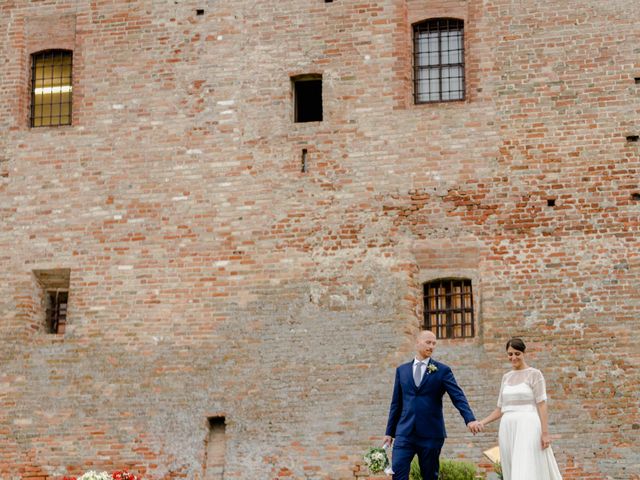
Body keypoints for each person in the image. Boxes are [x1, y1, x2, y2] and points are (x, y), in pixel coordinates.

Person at [383, 330, 482, 480]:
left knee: (430, 476)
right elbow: (396, 403)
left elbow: (458, 396)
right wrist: (389, 432)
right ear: (417, 343)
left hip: (431, 434)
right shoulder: (401, 370)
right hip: (404, 433)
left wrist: (470, 419)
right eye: (428, 342)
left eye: (434, 343)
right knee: (398, 475)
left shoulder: (442, 371)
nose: (431, 346)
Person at [478, 338, 562, 480]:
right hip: (507, 427)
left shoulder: (535, 374)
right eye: (510, 354)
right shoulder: (506, 378)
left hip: (528, 425)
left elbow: (542, 404)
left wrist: (545, 433)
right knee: (511, 466)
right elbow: (500, 408)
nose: (513, 357)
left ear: (524, 353)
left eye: (517, 353)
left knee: (525, 465)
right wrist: (482, 422)